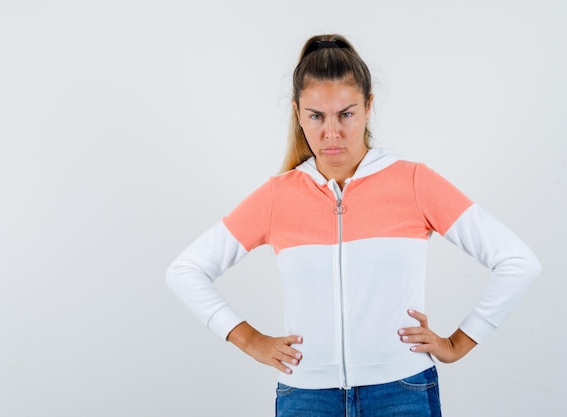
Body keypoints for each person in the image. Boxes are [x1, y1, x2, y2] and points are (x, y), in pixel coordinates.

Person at [166, 34, 541, 417]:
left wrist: (459, 343)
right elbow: (185, 270)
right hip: (306, 396)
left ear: (368, 106)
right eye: (316, 116)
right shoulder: (278, 196)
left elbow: (517, 261)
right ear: (297, 113)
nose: (332, 133)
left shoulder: (414, 182)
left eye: (346, 113)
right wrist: (250, 339)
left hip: (402, 391)